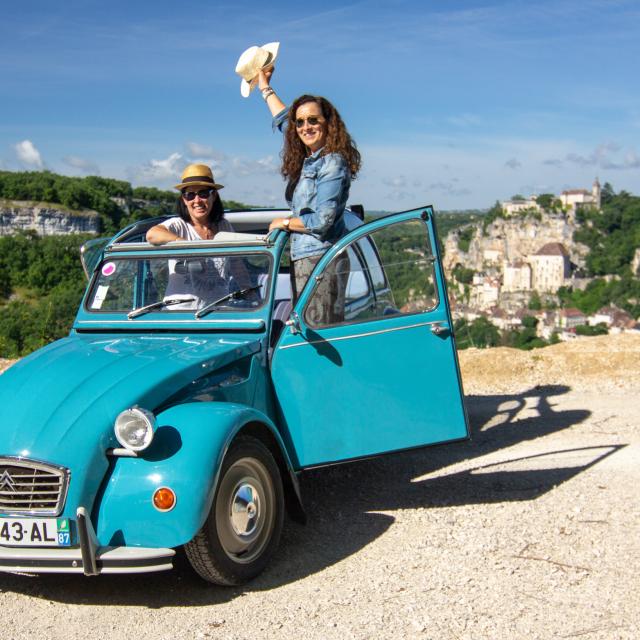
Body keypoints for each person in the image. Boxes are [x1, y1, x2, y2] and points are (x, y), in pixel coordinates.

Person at [256, 68, 362, 325]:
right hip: (306, 259)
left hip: (321, 260)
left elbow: (323, 220)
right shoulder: (310, 159)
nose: (306, 127)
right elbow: (285, 120)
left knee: (318, 334)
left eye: (313, 120)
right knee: (308, 334)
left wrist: (282, 223)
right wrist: (264, 87)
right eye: (301, 122)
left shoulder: (332, 163)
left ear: (328, 122)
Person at [146, 164, 247, 308]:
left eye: (203, 193)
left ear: (214, 195)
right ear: (184, 200)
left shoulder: (224, 226)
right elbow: (152, 234)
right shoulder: (178, 226)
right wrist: (185, 245)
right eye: (190, 195)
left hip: (218, 312)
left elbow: (237, 265)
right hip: (181, 316)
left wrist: (251, 295)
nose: (197, 201)